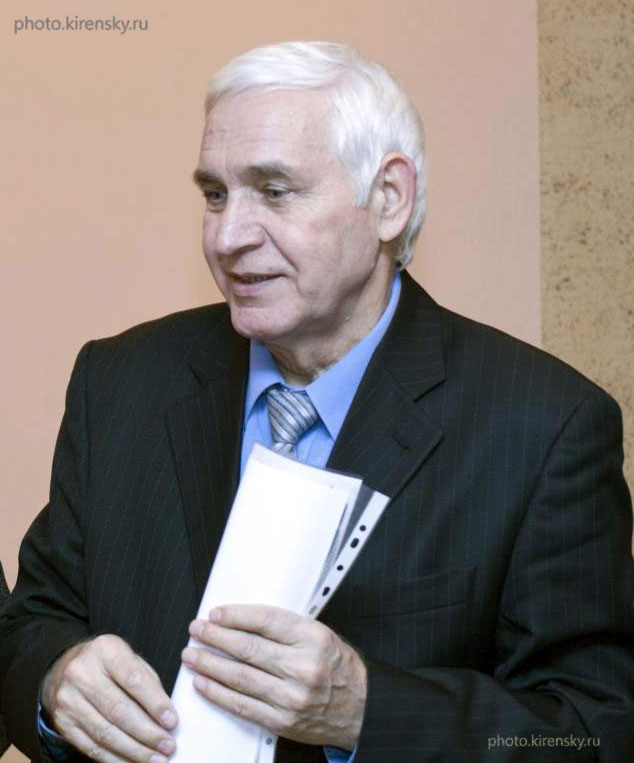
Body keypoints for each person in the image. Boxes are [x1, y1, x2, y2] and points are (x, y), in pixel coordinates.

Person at [1, 41, 632, 763]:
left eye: (274, 191)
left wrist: (367, 710)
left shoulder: (544, 427)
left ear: (388, 198)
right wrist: (55, 679)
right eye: (215, 195)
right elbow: (29, 622)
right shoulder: (120, 383)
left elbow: (594, 729)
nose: (228, 237)